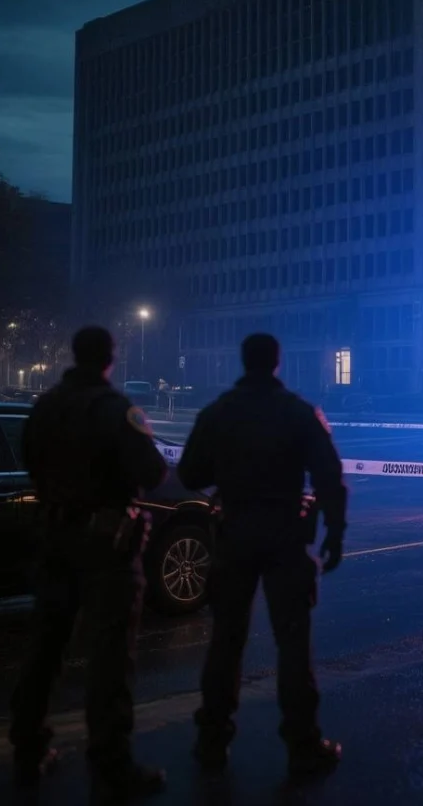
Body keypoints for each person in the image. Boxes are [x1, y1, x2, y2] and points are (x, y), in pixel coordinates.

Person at [177, 333, 347, 783]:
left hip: (233, 534)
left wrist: (229, 469)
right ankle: (302, 745)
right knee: (292, 644)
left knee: (226, 642)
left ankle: (211, 740)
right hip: (284, 535)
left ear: (242, 360)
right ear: (277, 362)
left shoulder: (218, 413)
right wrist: (336, 532)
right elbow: (330, 475)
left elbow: (191, 472)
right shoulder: (297, 412)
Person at [9, 326, 169, 805]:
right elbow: (153, 472)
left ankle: (28, 748)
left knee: (45, 648)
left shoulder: (46, 406)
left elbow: (31, 461)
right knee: (110, 657)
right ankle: (111, 764)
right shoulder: (116, 410)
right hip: (106, 547)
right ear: (110, 359)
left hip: (55, 537)